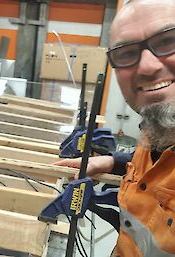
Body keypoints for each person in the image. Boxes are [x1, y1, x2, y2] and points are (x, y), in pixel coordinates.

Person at [55, 0, 175, 256]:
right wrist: (111, 162)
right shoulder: (156, 132)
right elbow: (154, 165)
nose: (148, 66)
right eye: (127, 53)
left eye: (168, 40)